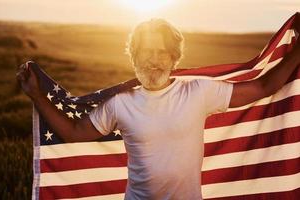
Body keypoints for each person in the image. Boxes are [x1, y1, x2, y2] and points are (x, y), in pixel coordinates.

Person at [17, 16, 300, 199]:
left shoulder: (198, 91)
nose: (153, 60)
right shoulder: (120, 103)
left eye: (161, 52)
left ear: (174, 58)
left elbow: (264, 87)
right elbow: (76, 133)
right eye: (145, 51)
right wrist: (37, 96)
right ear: (134, 56)